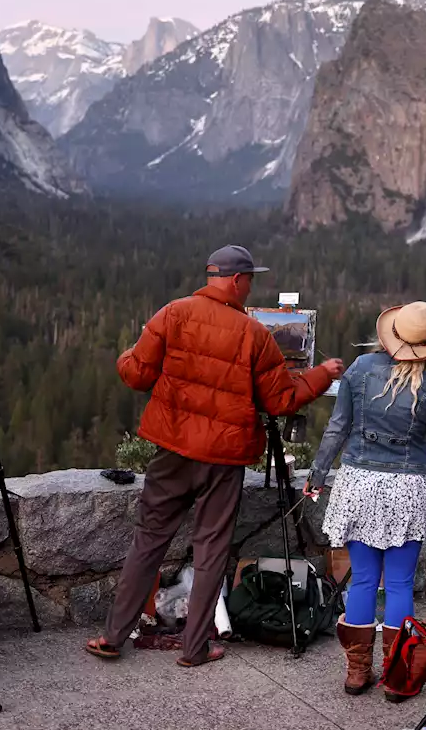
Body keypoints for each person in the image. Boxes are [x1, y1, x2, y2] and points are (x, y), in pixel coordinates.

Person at [85, 245, 344, 667]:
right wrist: (321, 374)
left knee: (148, 542)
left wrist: (124, 356)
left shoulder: (173, 313)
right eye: (251, 280)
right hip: (223, 459)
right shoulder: (256, 335)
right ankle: (194, 648)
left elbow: (136, 374)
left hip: (172, 450)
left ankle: (113, 637)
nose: (250, 286)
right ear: (239, 281)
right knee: (210, 550)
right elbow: (280, 400)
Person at [303, 301, 426, 698]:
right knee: (400, 584)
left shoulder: (359, 369)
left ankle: (358, 673)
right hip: (406, 489)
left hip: (359, 484)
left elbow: (338, 427)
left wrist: (318, 475)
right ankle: (397, 675)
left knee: (363, 581)